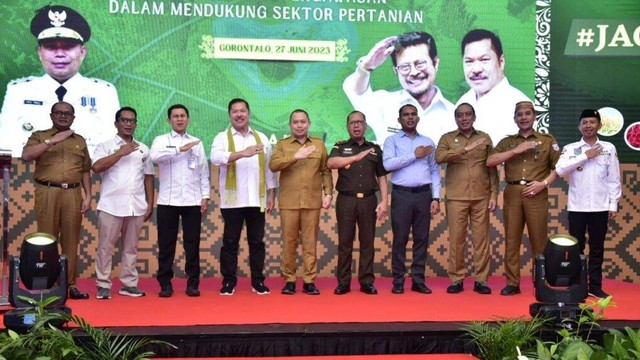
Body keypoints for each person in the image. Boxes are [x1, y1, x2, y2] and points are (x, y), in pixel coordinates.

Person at [0, 4, 119, 156]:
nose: (60, 54)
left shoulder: (104, 93)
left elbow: (112, 151)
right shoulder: (18, 92)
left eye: (68, 47)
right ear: (39, 52)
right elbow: (6, 149)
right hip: (31, 177)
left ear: (82, 52)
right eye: (51, 47)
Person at [487, 101, 560, 296]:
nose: (524, 117)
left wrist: (543, 184)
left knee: (539, 241)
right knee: (511, 240)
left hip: (536, 191)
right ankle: (512, 283)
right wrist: (515, 150)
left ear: (534, 116)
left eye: (528, 114)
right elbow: (490, 161)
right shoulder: (507, 142)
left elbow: (558, 168)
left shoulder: (546, 140)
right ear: (515, 119)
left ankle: (541, 283)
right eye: (520, 114)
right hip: (512, 193)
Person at [21, 101, 92, 300]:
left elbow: (85, 169)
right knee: (47, 239)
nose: (63, 116)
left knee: (71, 241)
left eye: (67, 113)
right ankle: (48, 285)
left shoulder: (80, 140)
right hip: (48, 192)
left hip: (73, 194)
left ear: (73, 118)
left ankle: (70, 286)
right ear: (52, 115)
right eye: (59, 113)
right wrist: (51, 141)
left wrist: (88, 195)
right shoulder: (40, 136)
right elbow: (26, 155)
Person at [211, 98, 277, 296]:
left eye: (242, 111)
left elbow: (269, 169)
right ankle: (228, 282)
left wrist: (272, 194)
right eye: (234, 111)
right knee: (230, 243)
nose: (239, 114)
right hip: (233, 201)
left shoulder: (262, 138)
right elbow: (215, 159)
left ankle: (258, 282)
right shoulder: (222, 138)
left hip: (257, 200)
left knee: (257, 243)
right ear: (229, 115)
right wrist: (242, 153)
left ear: (249, 113)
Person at [343, 31, 454, 145]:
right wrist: (366, 67)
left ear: (435, 63)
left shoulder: (455, 115)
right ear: (396, 71)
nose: (414, 72)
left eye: (420, 64)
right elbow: (354, 91)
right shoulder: (384, 103)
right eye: (405, 67)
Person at [555, 109, 621, 299]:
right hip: (577, 207)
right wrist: (586, 156)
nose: (588, 126)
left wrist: (613, 204)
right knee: (576, 248)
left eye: (592, 122)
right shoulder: (571, 148)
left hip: (600, 207)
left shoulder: (608, 148)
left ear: (599, 125)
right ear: (579, 126)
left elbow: (614, 178)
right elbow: (560, 169)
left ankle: (595, 286)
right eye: (585, 122)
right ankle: (577, 284)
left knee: (597, 248)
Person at [92, 107, 154, 299]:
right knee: (105, 247)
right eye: (124, 120)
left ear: (135, 124)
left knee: (131, 248)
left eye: (132, 121)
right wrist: (120, 153)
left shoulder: (143, 148)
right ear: (116, 123)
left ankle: (128, 284)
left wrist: (150, 202)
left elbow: (148, 177)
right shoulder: (105, 146)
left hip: (136, 206)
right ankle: (103, 284)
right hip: (111, 205)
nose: (128, 124)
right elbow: (96, 167)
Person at [435, 103, 498, 295]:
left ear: (474, 116)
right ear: (455, 118)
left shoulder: (485, 138)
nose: (464, 118)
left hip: (481, 196)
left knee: (481, 240)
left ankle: (481, 280)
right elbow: (439, 157)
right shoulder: (447, 138)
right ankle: (457, 279)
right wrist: (465, 149)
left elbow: (492, 168)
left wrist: (494, 194)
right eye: (460, 115)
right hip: (456, 197)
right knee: (456, 240)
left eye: (468, 114)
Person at [269, 109, 333, 295]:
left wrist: (328, 193)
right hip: (289, 202)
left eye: (303, 122)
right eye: (295, 122)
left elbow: (325, 171)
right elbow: (273, 165)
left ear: (309, 124)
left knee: (310, 243)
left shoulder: (319, 145)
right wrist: (295, 156)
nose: (299, 125)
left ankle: (309, 280)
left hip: (312, 202)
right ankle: (289, 280)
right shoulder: (282, 145)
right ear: (290, 125)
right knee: (289, 242)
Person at [150, 104, 210, 298]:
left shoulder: (197, 142)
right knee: (166, 244)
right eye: (175, 116)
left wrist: (205, 196)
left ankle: (193, 284)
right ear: (169, 120)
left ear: (188, 119)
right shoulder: (161, 140)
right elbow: (154, 157)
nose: (179, 119)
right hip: (168, 201)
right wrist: (179, 149)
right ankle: (165, 284)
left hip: (192, 201)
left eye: (183, 116)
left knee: (192, 244)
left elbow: (203, 171)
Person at [327, 111, 389, 295]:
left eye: (360, 122)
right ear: (347, 126)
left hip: (369, 201)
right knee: (345, 242)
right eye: (352, 122)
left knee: (367, 242)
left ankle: (367, 282)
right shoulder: (340, 147)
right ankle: (343, 282)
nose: (356, 126)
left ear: (365, 125)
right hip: (346, 200)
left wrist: (385, 201)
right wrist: (355, 157)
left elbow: (382, 177)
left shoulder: (375, 149)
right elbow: (331, 163)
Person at [383, 104, 441, 295]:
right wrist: (413, 155)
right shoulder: (392, 140)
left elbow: (434, 171)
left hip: (424, 195)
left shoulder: (428, 142)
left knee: (421, 238)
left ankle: (418, 280)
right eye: (406, 115)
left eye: (413, 114)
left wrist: (436, 197)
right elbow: (388, 164)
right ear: (399, 120)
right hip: (402, 194)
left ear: (418, 118)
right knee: (400, 238)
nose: (410, 117)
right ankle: (398, 281)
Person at [456, 29, 532, 144]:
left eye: (484, 60)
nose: (476, 69)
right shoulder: (462, 102)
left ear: (501, 62)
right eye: (469, 61)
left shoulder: (522, 107)